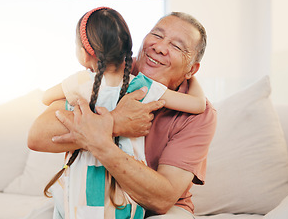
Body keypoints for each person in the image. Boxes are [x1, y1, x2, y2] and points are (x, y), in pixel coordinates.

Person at [28, 11, 217, 219]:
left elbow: (162, 199)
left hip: (156, 208)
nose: (160, 47)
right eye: (157, 35)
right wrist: (115, 122)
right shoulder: (109, 71)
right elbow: (38, 135)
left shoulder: (199, 115)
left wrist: (101, 139)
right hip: (97, 192)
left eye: (176, 46)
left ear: (192, 69)